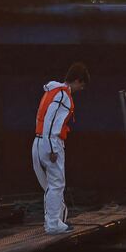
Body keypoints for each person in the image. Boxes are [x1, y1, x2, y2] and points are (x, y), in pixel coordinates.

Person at [32, 62, 89, 235]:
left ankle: (54, 219)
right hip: (51, 142)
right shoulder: (63, 96)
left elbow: (42, 119)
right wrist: (51, 149)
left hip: (38, 140)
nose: (81, 89)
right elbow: (51, 121)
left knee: (50, 185)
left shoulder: (50, 91)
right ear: (78, 80)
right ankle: (53, 224)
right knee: (56, 184)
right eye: (82, 84)